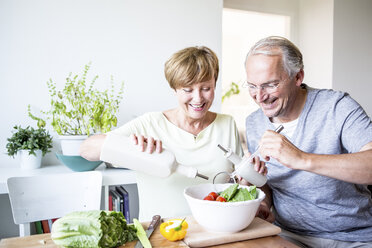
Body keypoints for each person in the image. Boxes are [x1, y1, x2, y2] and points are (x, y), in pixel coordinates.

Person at [80, 46, 265, 221]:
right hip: (161, 235)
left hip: (214, 231)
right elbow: (86, 150)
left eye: (206, 88)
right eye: (188, 89)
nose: (198, 98)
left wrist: (247, 179)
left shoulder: (227, 124)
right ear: (174, 89)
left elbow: (235, 189)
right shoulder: (150, 124)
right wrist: (132, 146)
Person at [244, 36, 372, 247]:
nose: (259, 96)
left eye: (270, 85)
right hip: (287, 236)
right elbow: (265, 181)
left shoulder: (337, 106)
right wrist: (264, 203)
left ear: (298, 77)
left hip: (354, 237)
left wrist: (301, 159)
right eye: (252, 86)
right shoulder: (254, 123)